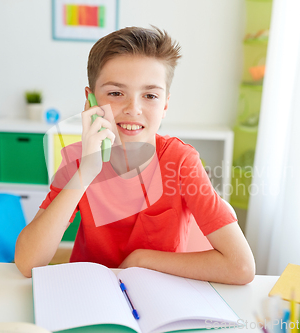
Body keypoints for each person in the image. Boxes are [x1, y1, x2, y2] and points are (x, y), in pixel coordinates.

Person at [15, 26, 256, 284]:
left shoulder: (181, 161)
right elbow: (28, 263)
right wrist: (87, 170)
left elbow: (241, 267)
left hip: (158, 289)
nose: (134, 109)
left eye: (150, 95)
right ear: (91, 100)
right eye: (116, 93)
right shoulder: (79, 159)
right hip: (92, 290)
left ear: (164, 105)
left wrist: (141, 260)